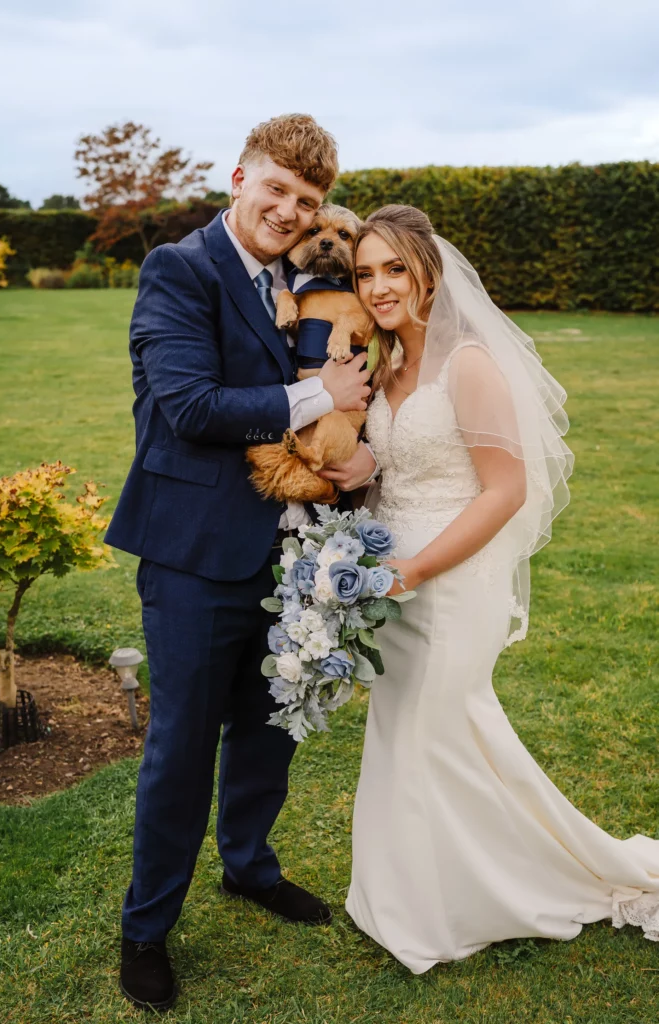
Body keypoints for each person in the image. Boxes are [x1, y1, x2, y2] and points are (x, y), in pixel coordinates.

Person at [338, 204, 659, 974]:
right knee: (418, 737)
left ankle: (475, 897)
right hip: (391, 584)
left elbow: (502, 492)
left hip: (450, 585)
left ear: (427, 270)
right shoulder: (385, 364)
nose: (378, 287)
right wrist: (362, 477)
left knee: (432, 733)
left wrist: (411, 570)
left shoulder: (468, 362)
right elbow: (402, 468)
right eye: (364, 273)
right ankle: (417, 893)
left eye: (392, 269)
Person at [104, 113, 377, 1011]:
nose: (291, 212)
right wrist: (318, 392)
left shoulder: (301, 283)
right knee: (181, 749)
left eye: (307, 200)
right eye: (277, 191)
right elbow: (188, 406)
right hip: (192, 556)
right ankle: (146, 929)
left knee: (270, 727)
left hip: (289, 551)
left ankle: (249, 866)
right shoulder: (179, 270)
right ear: (238, 179)